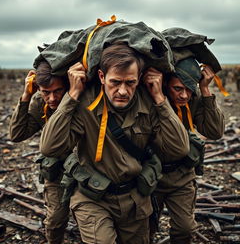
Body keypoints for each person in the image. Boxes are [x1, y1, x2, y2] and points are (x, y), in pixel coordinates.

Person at [39, 43, 190, 244]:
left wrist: (160, 99)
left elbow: (180, 148)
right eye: (115, 82)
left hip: (135, 200)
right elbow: (49, 147)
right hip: (92, 199)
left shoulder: (149, 103)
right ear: (101, 77)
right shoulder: (85, 104)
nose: (122, 91)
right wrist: (72, 95)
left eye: (130, 83)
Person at [150, 57, 225, 244]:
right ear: (166, 84)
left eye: (189, 89)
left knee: (184, 228)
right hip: (150, 177)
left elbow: (215, 131)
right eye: (178, 89)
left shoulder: (193, 101)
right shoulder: (150, 101)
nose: (184, 95)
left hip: (182, 176)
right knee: (145, 230)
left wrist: (205, 91)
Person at [9, 60, 70, 244]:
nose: (52, 98)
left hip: (87, 168)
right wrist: (26, 96)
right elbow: (17, 134)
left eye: (58, 91)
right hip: (57, 171)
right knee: (55, 221)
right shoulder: (38, 102)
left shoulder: (79, 98)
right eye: (46, 92)